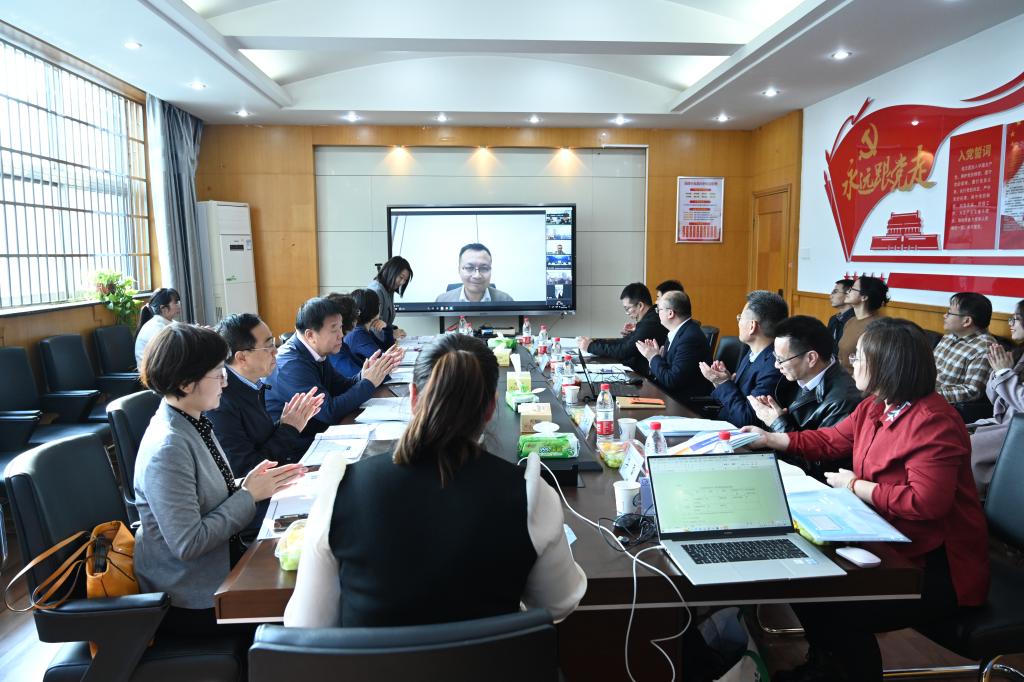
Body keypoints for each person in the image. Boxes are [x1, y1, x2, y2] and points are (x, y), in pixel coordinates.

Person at [741, 318, 988, 681]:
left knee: (839, 609)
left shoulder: (934, 422)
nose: (851, 363)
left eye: (859, 357)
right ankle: (824, 665)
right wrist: (770, 439)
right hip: (884, 537)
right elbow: (830, 440)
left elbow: (925, 502)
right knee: (803, 583)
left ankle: (842, 671)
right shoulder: (875, 406)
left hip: (936, 566)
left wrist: (856, 486)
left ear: (887, 364)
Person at [283, 334, 587, 627]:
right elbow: (558, 604)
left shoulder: (341, 490)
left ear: (414, 398)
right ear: (491, 408)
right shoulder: (530, 494)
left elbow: (306, 624)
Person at [134, 324, 306, 637]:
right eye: (217, 374)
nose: (225, 382)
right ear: (186, 384)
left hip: (223, 560)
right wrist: (248, 495)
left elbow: (205, 494)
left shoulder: (193, 420)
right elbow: (189, 542)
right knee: (304, 604)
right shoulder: (168, 447)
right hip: (192, 595)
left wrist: (250, 484)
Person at [208, 312, 323, 482]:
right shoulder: (220, 402)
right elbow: (246, 470)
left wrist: (288, 422)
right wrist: (289, 428)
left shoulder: (252, 384)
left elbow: (261, 442)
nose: (275, 351)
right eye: (268, 346)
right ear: (242, 357)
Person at [747, 315, 862, 480]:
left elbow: (820, 467)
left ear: (811, 358)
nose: (776, 365)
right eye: (775, 357)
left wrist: (778, 423)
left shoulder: (843, 399)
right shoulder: (793, 376)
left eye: (781, 359)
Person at [265, 297, 401, 436]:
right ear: (310, 335)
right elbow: (328, 412)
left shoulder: (315, 350)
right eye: (334, 329)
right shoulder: (291, 366)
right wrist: (368, 382)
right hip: (296, 443)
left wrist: (365, 375)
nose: (341, 335)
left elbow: (340, 386)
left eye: (340, 327)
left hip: (316, 429)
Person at [699, 290, 791, 428]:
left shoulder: (774, 366)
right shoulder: (752, 352)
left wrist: (723, 383)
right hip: (723, 425)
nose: (738, 322)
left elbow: (746, 419)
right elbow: (738, 398)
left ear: (752, 326)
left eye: (740, 318)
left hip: (742, 435)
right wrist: (724, 382)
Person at [969, 301, 1024, 496]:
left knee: (968, 447)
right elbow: (996, 400)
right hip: (1004, 425)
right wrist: (998, 372)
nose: (1011, 324)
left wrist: (1004, 374)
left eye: (1017, 319)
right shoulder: (1019, 353)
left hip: (1017, 433)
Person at [635, 291, 712, 400]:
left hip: (682, 403)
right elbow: (668, 371)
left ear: (670, 313)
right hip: (668, 396)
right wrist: (657, 358)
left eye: (659, 310)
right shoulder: (678, 332)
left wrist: (653, 357)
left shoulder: (689, 339)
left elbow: (671, 381)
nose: (657, 313)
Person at [578, 282, 667, 375]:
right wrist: (594, 342)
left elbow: (624, 350)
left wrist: (591, 347)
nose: (627, 313)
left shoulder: (651, 323)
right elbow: (623, 342)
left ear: (640, 306)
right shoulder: (648, 319)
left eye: (627, 309)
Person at [934, 292, 996, 404]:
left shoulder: (985, 349)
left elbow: (972, 391)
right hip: (923, 395)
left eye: (949, 313)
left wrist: (930, 395)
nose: (945, 315)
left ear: (967, 321)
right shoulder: (949, 336)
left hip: (944, 404)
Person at [837, 275, 889, 374]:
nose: (848, 292)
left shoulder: (878, 327)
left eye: (852, 289)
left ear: (864, 297)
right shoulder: (851, 321)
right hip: (842, 376)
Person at [434, 243, 514, 303]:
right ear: (459, 270)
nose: (477, 275)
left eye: (484, 268)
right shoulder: (442, 301)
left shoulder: (506, 300)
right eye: (469, 268)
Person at [368, 256, 413, 344]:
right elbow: (373, 326)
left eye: (405, 280)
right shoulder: (376, 291)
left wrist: (395, 329)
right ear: (391, 272)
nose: (402, 282)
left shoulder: (388, 290)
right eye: (401, 277)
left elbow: (384, 322)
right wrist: (392, 334)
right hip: (373, 346)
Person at [135, 287, 181, 367]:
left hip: (165, 368)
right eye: (176, 302)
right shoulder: (154, 327)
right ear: (163, 308)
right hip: (153, 372)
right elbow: (170, 352)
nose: (179, 305)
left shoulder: (170, 322)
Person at [344, 288, 390, 365]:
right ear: (373, 308)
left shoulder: (363, 330)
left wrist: (386, 329)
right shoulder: (358, 335)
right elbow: (384, 359)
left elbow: (387, 349)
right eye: (378, 304)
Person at [326, 292, 364, 378]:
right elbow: (361, 377)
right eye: (356, 312)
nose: (358, 315)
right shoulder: (334, 349)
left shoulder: (342, 344)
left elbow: (362, 368)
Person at [826, 278, 855, 355]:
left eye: (835, 292)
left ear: (848, 294)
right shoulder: (833, 319)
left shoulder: (855, 320)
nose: (830, 296)